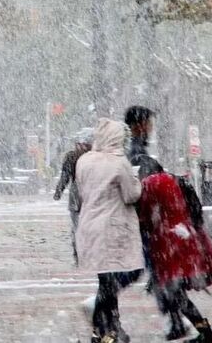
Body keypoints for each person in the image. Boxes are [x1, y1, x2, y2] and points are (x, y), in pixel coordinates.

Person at [137, 158, 212, 342]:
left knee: (175, 293)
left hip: (168, 244)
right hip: (186, 239)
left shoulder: (150, 184)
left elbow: (143, 218)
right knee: (175, 292)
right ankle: (195, 329)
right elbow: (196, 210)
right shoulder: (178, 180)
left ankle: (206, 333)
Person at [75, 118, 144, 343]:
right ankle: (103, 325)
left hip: (89, 224)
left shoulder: (84, 161)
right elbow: (131, 195)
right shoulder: (119, 162)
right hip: (113, 227)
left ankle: (109, 330)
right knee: (121, 276)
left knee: (105, 279)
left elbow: (82, 190)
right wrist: (138, 181)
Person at [53, 127, 94, 266]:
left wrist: (59, 190)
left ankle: (80, 254)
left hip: (83, 196)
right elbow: (65, 176)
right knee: (84, 227)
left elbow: (65, 177)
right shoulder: (95, 157)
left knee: (79, 227)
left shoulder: (73, 156)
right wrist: (59, 190)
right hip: (89, 196)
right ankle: (83, 254)